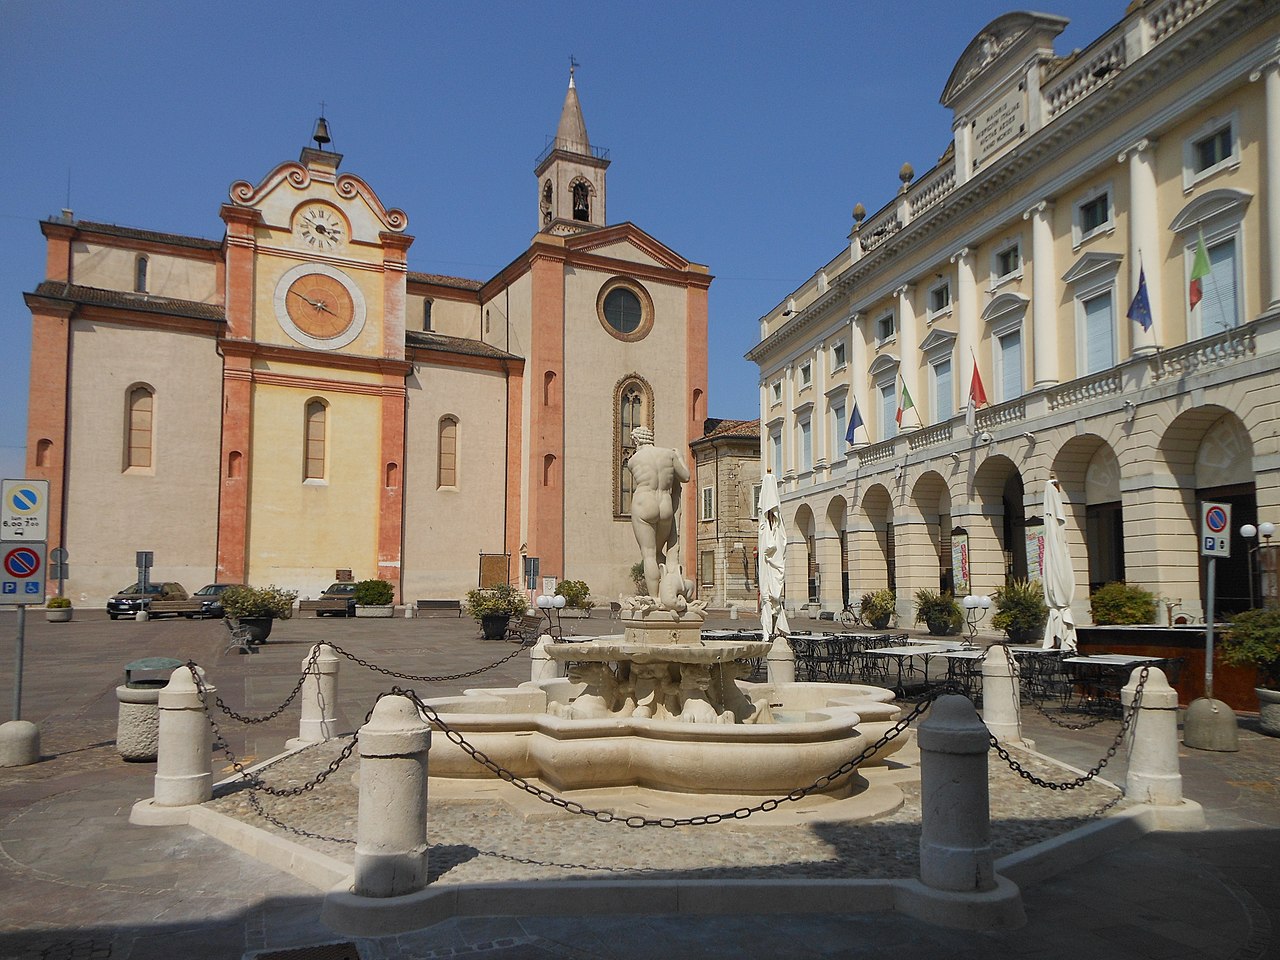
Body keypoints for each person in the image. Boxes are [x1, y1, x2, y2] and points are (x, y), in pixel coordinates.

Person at [625, 426, 690, 602]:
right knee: (661, 551)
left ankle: (655, 599)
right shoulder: (669, 454)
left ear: (637, 441)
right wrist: (680, 458)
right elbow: (685, 477)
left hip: (644, 502)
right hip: (665, 505)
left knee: (649, 554)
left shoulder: (633, 461)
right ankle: (669, 586)